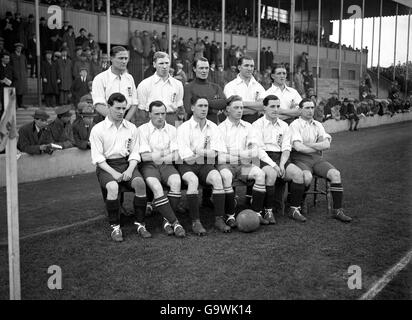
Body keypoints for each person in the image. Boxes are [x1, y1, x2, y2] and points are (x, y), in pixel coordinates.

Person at [89, 92, 150, 242]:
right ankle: (115, 227)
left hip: (127, 163)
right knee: (112, 187)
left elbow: (135, 153)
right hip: (107, 166)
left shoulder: (131, 128)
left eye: (124, 108)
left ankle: (140, 224)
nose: (121, 112)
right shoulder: (97, 129)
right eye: (117, 108)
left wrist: (130, 169)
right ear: (108, 107)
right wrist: (114, 173)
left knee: (140, 184)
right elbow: (98, 158)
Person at [289, 98, 352, 223]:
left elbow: (327, 145)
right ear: (300, 110)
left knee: (335, 174)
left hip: (317, 159)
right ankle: (298, 204)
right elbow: (298, 147)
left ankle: (337, 210)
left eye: (312, 108)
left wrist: (309, 144)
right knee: (306, 177)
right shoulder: (294, 125)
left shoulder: (318, 124)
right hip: (299, 159)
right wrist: (317, 144)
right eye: (307, 108)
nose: (310, 111)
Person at [176, 96, 231, 235]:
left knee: (217, 178)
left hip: (204, 165)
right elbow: (187, 158)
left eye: (206, 106)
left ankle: (219, 219)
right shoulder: (183, 128)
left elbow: (216, 153)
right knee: (193, 181)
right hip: (186, 166)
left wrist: (198, 151)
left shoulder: (213, 127)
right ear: (192, 108)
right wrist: (206, 153)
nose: (204, 109)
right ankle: (196, 222)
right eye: (200, 106)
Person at [217, 95, 273, 226]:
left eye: (241, 108)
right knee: (226, 176)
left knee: (260, 174)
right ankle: (230, 216)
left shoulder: (248, 127)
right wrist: (243, 154)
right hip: (226, 165)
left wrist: (234, 154)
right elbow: (220, 157)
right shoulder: (219, 129)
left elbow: (254, 151)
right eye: (236, 107)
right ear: (227, 110)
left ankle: (257, 213)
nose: (239, 110)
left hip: (244, 164)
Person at [252, 95, 307, 220]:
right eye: (272, 106)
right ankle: (268, 211)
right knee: (271, 174)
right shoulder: (256, 125)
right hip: (263, 157)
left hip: (281, 157)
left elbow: (286, 147)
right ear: (264, 107)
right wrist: (274, 165)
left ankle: (294, 209)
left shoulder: (284, 125)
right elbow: (259, 150)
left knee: (298, 174)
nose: (276, 109)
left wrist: (281, 164)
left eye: (278, 106)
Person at [137, 100, 186, 238]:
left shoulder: (173, 129)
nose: (160, 117)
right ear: (149, 114)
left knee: (176, 182)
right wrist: (165, 153)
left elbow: (176, 155)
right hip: (149, 166)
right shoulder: (142, 130)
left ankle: (166, 221)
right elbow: (145, 157)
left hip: (167, 165)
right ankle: (175, 223)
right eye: (156, 114)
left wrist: (158, 156)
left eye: (163, 113)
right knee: (157, 188)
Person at [137, 51, 184, 127]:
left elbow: (180, 110)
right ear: (154, 64)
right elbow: (141, 110)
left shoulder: (178, 84)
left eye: (167, 63)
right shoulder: (144, 84)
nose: (164, 66)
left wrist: (179, 128)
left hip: (171, 119)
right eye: (161, 63)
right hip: (151, 121)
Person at [92, 46, 137, 124]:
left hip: (126, 120)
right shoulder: (100, 78)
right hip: (105, 119)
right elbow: (98, 105)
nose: (124, 61)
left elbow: (134, 103)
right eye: (121, 58)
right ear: (111, 58)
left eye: (126, 58)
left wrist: (124, 122)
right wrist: (115, 120)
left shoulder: (129, 78)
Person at [183, 57, 227, 124]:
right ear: (194, 69)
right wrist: (214, 109)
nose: (204, 71)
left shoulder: (216, 87)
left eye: (206, 68)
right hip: (193, 127)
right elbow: (189, 109)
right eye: (201, 68)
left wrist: (200, 102)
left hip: (212, 126)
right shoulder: (188, 87)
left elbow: (224, 103)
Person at [223, 56, 266, 124]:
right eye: (246, 65)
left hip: (254, 124)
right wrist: (255, 108)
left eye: (252, 66)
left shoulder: (259, 87)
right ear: (239, 67)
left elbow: (263, 106)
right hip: (235, 124)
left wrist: (242, 103)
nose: (249, 68)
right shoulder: (230, 86)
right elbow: (233, 109)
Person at [10, 42, 28, 109]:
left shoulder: (23, 56)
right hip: (15, 76)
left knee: (21, 91)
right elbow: (10, 66)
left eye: (20, 48)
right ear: (16, 48)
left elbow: (25, 66)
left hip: (22, 76)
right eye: (18, 48)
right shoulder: (12, 56)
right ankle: (15, 104)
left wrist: (25, 74)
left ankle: (21, 104)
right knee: (16, 90)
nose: (19, 49)